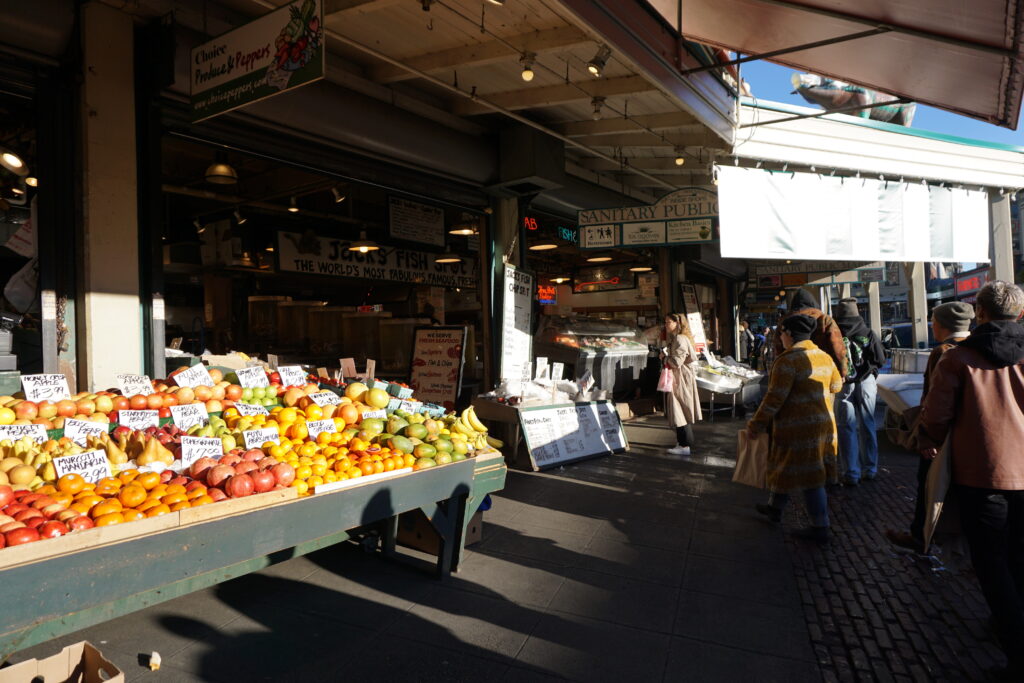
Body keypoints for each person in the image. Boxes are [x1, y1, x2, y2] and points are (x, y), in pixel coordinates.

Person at [915, 281, 1024, 680]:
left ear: (979, 313)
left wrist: (928, 440)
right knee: (1018, 557)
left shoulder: (958, 359)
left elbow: (936, 415)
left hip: (983, 473)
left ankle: (1015, 647)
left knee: (991, 563)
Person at [885, 301, 973, 553]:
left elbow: (935, 399)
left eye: (933, 321)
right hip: (970, 433)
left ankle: (921, 535)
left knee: (929, 483)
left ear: (942, 325)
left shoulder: (943, 352)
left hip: (942, 434)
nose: (932, 326)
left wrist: (927, 437)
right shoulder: (976, 347)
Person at [748, 314, 844, 544]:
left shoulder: (788, 360)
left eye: (782, 333)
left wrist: (756, 424)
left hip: (797, 428)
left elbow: (774, 399)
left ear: (789, 334)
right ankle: (774, 508)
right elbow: (837, 385)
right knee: (786, 468)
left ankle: (820, 526)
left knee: (811, 478)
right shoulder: (823, 357)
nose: (780, 337)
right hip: (824, 426)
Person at [831, 298, 886, 485]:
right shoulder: (867, 332)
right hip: (866, 381)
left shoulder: (834, 333)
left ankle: (851, 473)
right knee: (868, 424)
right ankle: (870, 468)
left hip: (844, 382)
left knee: (845, 427)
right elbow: (880, 358)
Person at [772, 289, 848, 379]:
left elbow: (777, 349)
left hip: (793, 372)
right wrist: (842, 372)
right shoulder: (824, 319)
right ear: (813, 303)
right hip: (823, 371)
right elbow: (838, 348)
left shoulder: (784, 322)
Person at [662, 313, 702, 456]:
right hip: (681, 378)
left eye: (668, 322)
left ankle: (684, 445)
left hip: (680, 379)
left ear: (677, 323)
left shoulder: (679, 339)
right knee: (681, 409)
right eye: (665, 322)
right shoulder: (681, 338)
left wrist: (664, 358)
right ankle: (684, 443)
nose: (666, 325)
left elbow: (676, 362)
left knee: (680, 409)